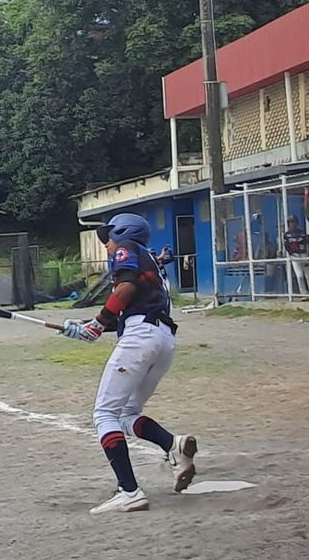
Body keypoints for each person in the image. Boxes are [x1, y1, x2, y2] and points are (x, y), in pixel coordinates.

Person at [60, 213, 196, 515]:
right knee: (126, 414)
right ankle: (172, 445)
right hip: (162, 340)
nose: (107, 246)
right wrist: (85, 325)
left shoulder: (128, 250)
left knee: (104, 414)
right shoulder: (150, 260)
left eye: (109, 238)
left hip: (141, 338)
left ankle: (129, 491)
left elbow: (125, 290)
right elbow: (128, 310)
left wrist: (97, 323)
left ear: (123, 234)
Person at [283, 215, 309, 297]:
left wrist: (307, 254)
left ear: (297, 223)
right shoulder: (287, 235)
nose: (292, 224)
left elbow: (308, 243)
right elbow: (287, 246)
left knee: (308, 275)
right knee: (299, 275)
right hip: (295, 256)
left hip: (304, 254)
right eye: (290, 222)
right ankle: (303, 293)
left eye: (293, 222)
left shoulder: (302, 233)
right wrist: (291, 254)